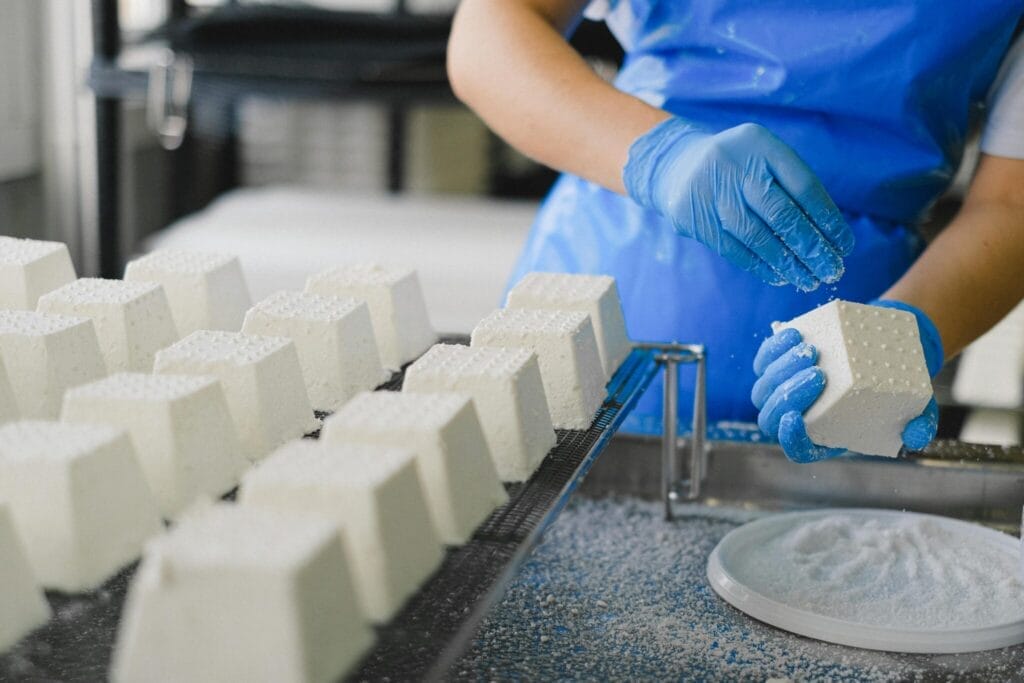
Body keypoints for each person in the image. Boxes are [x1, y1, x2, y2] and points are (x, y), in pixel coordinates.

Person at [447, 0, 1024, 461]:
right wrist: (660, 157)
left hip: (850, 332)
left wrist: (912, 330)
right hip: (608, 279)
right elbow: (491, 30)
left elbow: (1011, 202)